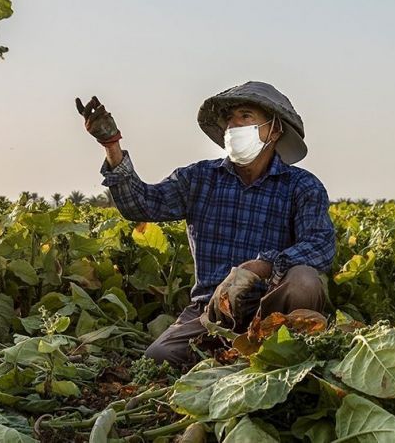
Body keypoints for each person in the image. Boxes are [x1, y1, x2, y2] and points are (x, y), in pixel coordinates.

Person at [75, 81, 335, 369]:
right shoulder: (200, 179)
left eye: (245, 117)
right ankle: (231, 357)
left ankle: (291, 360)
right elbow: (141, 205)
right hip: (210, 312)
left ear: (273, 131)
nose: (234, 126)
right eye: (229, 120)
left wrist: (263, 266)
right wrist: (112, 146)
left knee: (304, 280)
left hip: (270, 308)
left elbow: (321, 245)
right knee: (158, 360)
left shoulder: (301, 186)